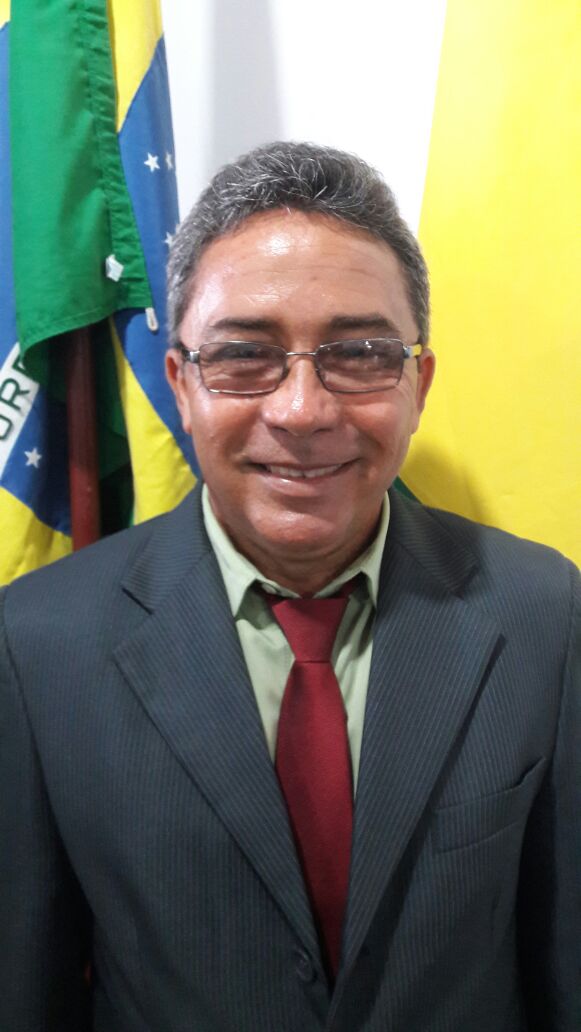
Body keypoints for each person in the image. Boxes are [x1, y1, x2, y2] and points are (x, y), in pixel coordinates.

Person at [0, 141, 578, 1032]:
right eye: (243, 355)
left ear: (417, 384)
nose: (302, 410)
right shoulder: (39, 642)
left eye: (360, 353)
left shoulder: (544, 613)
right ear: (180, 386)